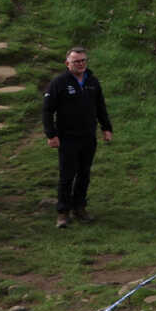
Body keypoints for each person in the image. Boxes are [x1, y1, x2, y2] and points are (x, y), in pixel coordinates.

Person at [40, 46, 114, 228]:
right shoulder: (58, 83)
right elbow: (47, 110)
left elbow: (100, 107)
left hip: (88, 136)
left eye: (83, 61)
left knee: (84, 173)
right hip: (67, 137)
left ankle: (79, 207)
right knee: (67, 175)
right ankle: (63, 213)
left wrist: (106, 128)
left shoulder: (92, 82)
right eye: (76, 61)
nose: (80, 64)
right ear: (67, 63)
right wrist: (51, 134)